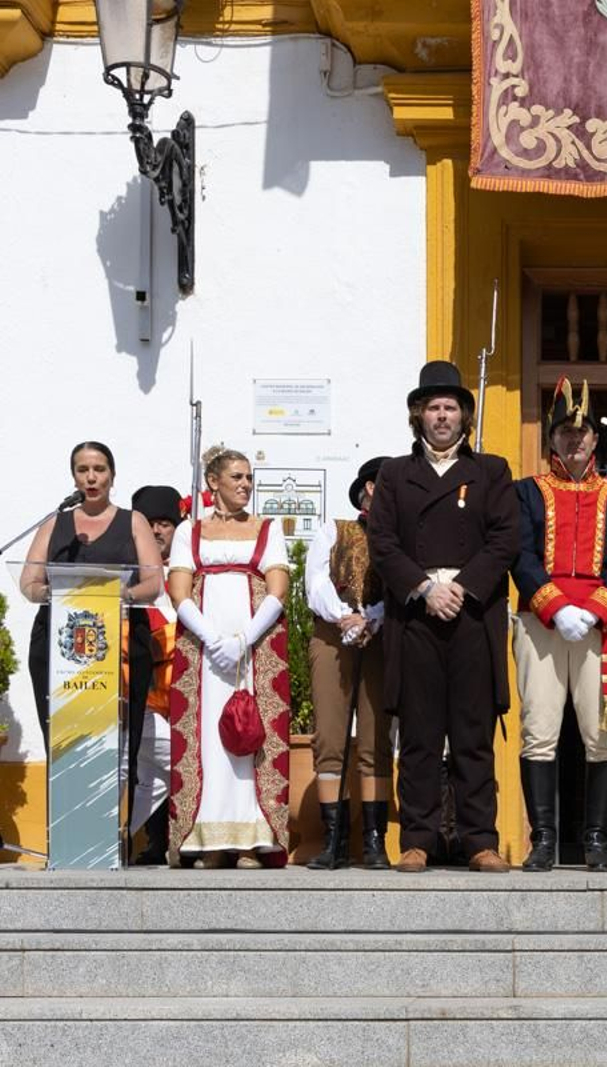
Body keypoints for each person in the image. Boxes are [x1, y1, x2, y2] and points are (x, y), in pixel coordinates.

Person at [369, 361, 520, 874]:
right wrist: (424, 588)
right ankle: (418, 838)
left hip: (472, 611)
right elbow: (382, 543)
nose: (441, 416)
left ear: (465, 415)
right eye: (432, 407)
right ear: (417, 414)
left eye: (450, 407)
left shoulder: (491, 471)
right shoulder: (393, 473)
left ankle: (480, 840)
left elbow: (504, 540)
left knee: (473, 731)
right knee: (420, 732)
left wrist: (461, 587)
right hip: (416, 612)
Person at [511, 377, 607, 873]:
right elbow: (519, 554)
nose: (575, 440)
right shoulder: (527, 492)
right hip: (541, 623)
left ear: (595, 440)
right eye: (566, 431)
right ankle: (543, 839)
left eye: (582, 433)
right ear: (552, 439)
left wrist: (597, 608)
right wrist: (555, 606)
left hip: (598, 626)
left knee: (600, 733)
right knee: (539, 730)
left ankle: (597, 841)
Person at [20, 443, 162, 840]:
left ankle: (113, 837)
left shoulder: (133, 522)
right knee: (65, 738)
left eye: (99, 469)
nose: (91, 477)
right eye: (83, 470)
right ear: (74, 477)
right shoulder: (56, 523)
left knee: (119, 743)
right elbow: (29, 584)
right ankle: (70, 836)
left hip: (120, 644)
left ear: (112, 475)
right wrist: (61, 593)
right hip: (58, 646)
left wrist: (119, 595)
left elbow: (154, 582)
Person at [166, 447, 292, 868]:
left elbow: (277, 586)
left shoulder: (267, 528)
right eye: (236, 477)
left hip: (252, 644)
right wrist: (211, 638)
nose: (245, 485)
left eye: (249, 478)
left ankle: (251, 839)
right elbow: (179, 589)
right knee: (206, 736)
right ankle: (208, 837)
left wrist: (244, 639)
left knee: (251, 734)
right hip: (205, 647)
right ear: (214, 482)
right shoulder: (190, 531)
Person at [304, 455, 393, 871]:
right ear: (371, 489)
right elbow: (316, 580)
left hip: (379, 638)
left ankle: (375, 840)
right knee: (330, 736)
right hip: (332, 635)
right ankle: (333, 838)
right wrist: (344, 614)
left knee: (376, 737)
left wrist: (372, 618)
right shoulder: (334, 530)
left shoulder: (401, 539)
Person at [128, 484, 183, 865]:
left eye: (166, 523)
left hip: (186, 693)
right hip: (145, 696)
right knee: (159, 762)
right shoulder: (128, 578)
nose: (159, 531)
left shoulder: (190, 574)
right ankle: (153, 838)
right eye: (150, 524)